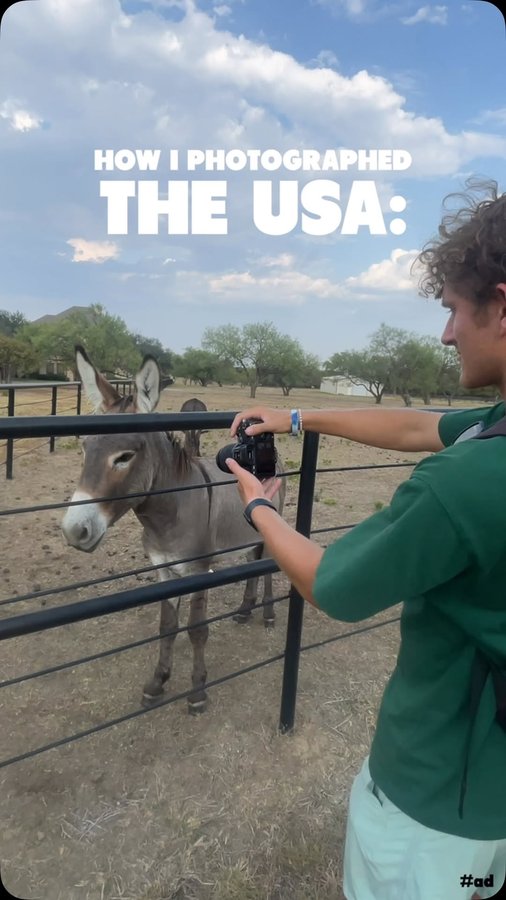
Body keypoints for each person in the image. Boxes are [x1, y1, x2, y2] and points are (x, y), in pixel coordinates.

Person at [226, 180, 506, 900]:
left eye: (452, 311)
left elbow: (335, 586)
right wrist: (296, 419)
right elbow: (417, 425)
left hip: (436, 802)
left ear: (501, 306)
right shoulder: (490, 430)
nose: (446, 335)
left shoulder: (470, 480)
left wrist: (261, 509)